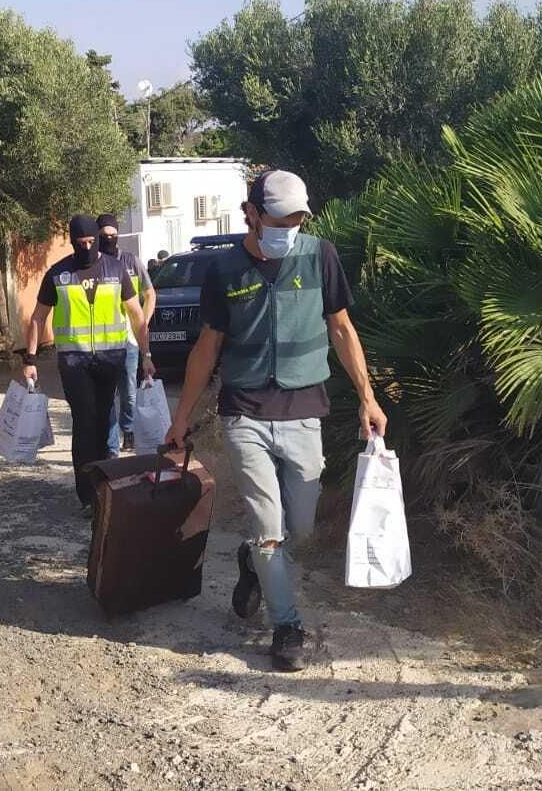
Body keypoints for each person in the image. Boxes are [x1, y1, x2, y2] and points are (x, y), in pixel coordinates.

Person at [165, 169, 388, 672]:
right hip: (245, 413)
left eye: (298, 219)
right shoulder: (224, 270)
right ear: (252, 213)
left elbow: (342, 329)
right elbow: (207, 348)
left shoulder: (320, 255)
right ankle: (287, 625)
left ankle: (251, 560)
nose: (289, 227)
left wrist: (368, 399)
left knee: (301, 529)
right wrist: (181, 418)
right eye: (279, 218)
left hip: (304, 412)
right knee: (270, 528)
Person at [24, 215, 155, 514]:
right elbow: (37, 317)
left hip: (111, 360)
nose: (87, 247)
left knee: (105, 419)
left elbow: (136, 316)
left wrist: (146, 355)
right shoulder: (58, 275)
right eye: (80, 243)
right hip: (74, 362)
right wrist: (29, 359)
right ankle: (88, 497)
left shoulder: (116, 269)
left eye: (90, 242)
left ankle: (106, 488)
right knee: (85, 424)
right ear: (72, 242)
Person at [97, 213, 155, 454]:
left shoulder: (131, 262)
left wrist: (142, 321)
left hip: (129, 341)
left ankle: (128, 430)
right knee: (107, 398)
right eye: (104, 236)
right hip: (103, 343)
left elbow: (150, 293)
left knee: (129, 392)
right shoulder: (94, 265)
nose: (109, 239)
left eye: (113, 235)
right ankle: (111, 448)